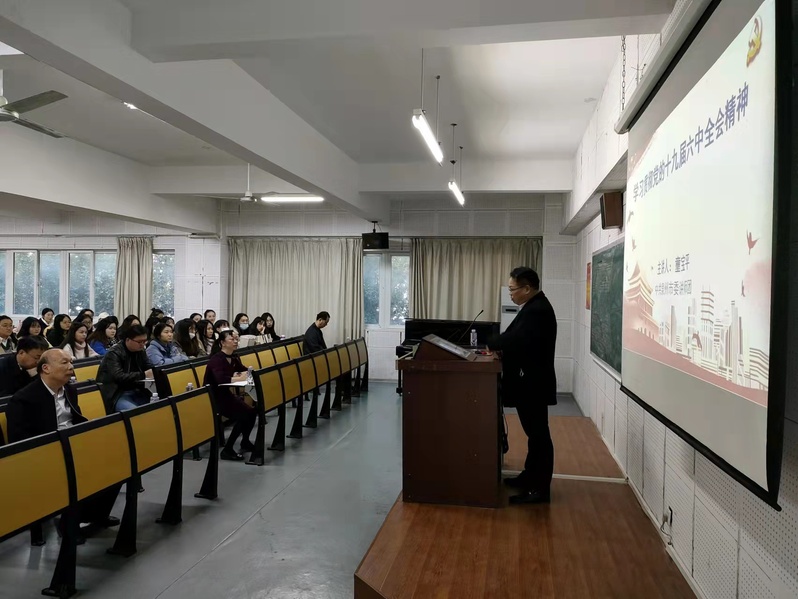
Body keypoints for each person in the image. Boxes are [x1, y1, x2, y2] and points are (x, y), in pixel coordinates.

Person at [7, 348, 120, 536]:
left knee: (117, 461)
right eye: (64, 363)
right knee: (82, 468)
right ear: (46, 368)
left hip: (73, 443)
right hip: (45, 452)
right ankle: (69, 525)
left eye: (71, 362)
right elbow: (19, 441)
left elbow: (76, 419)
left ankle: (95, 515)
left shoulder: (69, 390)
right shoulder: (24, 399)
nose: (71, 367)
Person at [488, 267, 557, 505]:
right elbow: (515, 336)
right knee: (534, 435)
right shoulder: (532, 306)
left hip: (533, 384)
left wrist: (492, 341)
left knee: (539, 435)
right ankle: (530, 476)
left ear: (527, 289)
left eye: (513, 289)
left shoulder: (537, 310)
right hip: (529, 382)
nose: (510, 294)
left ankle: (540, 489)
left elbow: (516, 339)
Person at [204, 330, 256, 461]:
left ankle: (245, 441)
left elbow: (243, 370)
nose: (235, 342)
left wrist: (248, 372)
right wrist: (238, 377)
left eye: (236, 339)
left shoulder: (233, 357)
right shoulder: (216, 359)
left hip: (225, 395)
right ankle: (228, 449)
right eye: (232, 339)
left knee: (251, 412)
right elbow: (221, 379)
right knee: (243, 415)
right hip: (213, 397)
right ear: (222, 343)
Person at [96, 324, 154, 412]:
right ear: (128, 340)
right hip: (117, 394)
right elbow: (119, 376)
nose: (142, 345)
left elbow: (149, 367)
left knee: (157, 407)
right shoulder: (114, 353)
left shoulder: (140, 351)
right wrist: (143, 375)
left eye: (144, 341)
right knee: (136, 413)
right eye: (139, 342)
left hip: (138, 390)